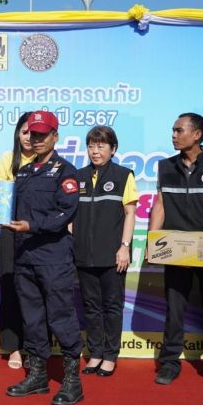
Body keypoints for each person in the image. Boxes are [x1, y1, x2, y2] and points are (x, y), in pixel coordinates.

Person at [149, 113, 203, 389]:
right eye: (173, 130)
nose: (174, 135)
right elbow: (160, 205)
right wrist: (153, 241)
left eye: (179, 130)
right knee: (174, 310)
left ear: (196, 134)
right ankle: (170, 362)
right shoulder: (165, 166)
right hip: (174, 250)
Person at [4, 111, 84, 405]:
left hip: (53, 258)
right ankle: (37, 376)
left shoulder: (66, 171)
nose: (36, 139)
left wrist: (32, 226)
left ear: (55, 137)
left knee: (61, 316)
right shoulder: (23, 172)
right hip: (24, 256)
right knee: (32, 318)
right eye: (32, 134)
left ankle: (72, 380)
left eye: (42, 134)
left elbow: (65, 213)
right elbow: (13, 210)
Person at [73, 126, 137, 377]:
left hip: (112, 255)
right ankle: (95, 353)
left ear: (113, 149)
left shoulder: (123, 175)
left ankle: (110, 355)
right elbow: (70, 213)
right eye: (91, 146)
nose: (95, 151)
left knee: (112, 306)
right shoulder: (77, 176)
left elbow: (130, 213)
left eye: (101, 146)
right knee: (90, 306)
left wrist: (124, 247)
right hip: (83, 254)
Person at [0, 112, 35, 370]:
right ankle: (15, 348)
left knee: (37, 293)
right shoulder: (8, 160)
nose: (30, 138)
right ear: (17, 134)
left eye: (35, 132)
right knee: (11, 289)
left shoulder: (49, 163)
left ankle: (35, 347)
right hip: (10, 233)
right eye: (25, 132)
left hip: (39, 234)